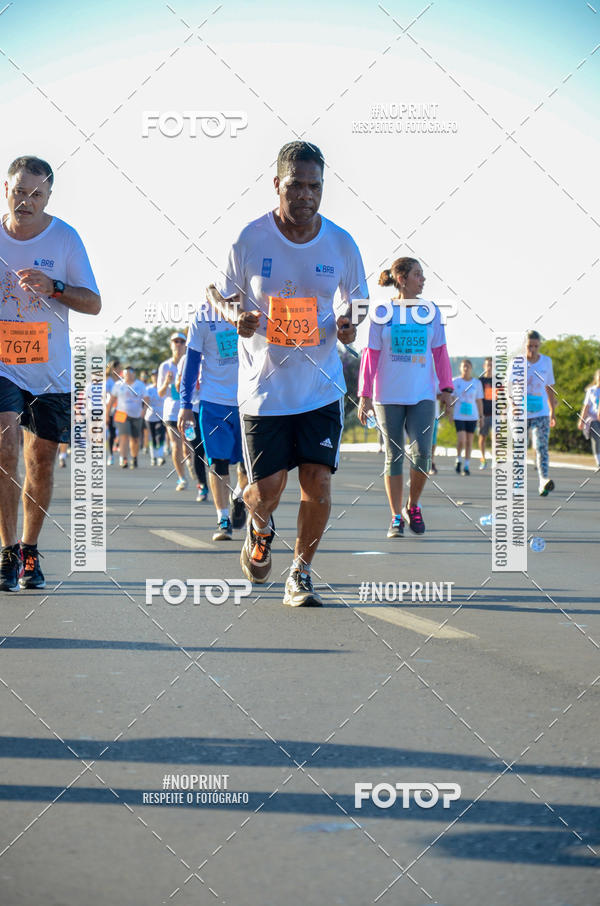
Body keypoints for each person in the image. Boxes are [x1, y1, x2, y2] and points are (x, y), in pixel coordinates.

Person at [207, 140, 366, 606]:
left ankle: (301, 571)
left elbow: (357, 301)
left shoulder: (340, 242)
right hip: (264, 390)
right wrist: (235, 317)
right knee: (267, 490)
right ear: (278, 184)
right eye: (295, 185)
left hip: (320, 386)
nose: (305, 196)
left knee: (318, 481)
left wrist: (348, 324)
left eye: (314, 186)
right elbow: (219, 293)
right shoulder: (251, 239)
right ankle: (259, 527)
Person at [0, 156, 101, 591]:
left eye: (35, 194)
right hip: (3, 364)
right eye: (19, 191)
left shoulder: (64, 238)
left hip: (50, 369)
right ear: (6, 188)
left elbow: (94, 302)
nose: (26, 200)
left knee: (40, 460)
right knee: (4, 452)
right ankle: (6, 552)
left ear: (48, 197)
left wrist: (54, 287)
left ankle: (29, 550)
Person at [358, 258, 454, 537]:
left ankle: (413, 505)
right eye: (417, 275)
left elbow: (440, 352)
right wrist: (364, 395)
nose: (423, 279)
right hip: (387, 395)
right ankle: (395, 517)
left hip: (422, 394)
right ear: (401, 279)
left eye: (422, 275)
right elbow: (371, 356)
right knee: (394, 455)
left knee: (423, 453)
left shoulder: (430, 311)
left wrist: (446, 388)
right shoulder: (382, 312)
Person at [178, 302, 247, 540]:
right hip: (213, 401)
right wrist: (185, 405)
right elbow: (192, 362)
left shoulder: (251, 305)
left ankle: (238, 496)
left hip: (250, 399)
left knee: (249, 466)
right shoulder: (203, 316)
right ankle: (223, 519)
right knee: (218, 462)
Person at [520, 330, 557, 496]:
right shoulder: (517, 363)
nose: (532, 349)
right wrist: (512, 404)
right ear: (524, 345)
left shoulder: (546, 362)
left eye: (535, 346)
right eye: (529, 346)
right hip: (520, 413)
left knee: (542, 447)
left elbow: (549, 388)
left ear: (539, 345)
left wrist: (552, 412)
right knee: (520, 449)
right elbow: (507, 388)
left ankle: (543, 480)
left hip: (541, 412)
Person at [175, 352, 208, 501]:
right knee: (197, 449)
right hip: (191, 411)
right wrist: (188, 381)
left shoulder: (213, 352)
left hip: (213, 408)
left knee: (215, 451)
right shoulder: (186, 358)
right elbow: (177, 386)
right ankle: (202, 485)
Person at [158, 331, 188, 490]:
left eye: (181, 342)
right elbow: (160, 393)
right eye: (175, 341)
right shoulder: (165, 366)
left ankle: (190, 464)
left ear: (186, 345)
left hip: (189, 411)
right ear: (171, 345)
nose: (178, 344)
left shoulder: (191, 362)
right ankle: (182, 478)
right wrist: (167, 382)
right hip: (171, 412)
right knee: (176, 446)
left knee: (188, 446)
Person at [109, 365, 148, 468]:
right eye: (126, 374)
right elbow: (111, 400)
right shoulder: (118, 385)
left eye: (130, 374)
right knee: (123, 436)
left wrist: (144, 410)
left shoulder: (140, 385)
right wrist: (107, 415)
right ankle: (123, 458)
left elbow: (147, 399)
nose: (128, 376)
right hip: (121, 414)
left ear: (134, 374)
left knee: (135, 439)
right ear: (123, 374)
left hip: (136, 414)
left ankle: (134, 458)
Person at [452, 359, 483, 476]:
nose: (466, 368)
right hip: (459, 415)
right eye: (464, 366)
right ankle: (458, 459)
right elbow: (450, 399)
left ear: (471, 368)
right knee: (461, 440)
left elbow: (479, 400)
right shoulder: (455, 381)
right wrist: (449, 413)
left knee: (469, 441)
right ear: (460, 368)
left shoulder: (476, 383)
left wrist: (481, 416)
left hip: (472, 416)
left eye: (468, 366)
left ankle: (466, 465)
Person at [578, 369, 600, 467]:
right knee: (597, 438)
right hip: (593, 418)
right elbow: (586, 406)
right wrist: (581, 420)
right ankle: (598, 461)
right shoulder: (592, 390)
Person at [144, 369, 166, 466]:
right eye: (153, 375)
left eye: (157, 375)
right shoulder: (148, 389)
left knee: (160, 435)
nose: (155, 377)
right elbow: (145, 402)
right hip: (150, 416)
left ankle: (160, 456)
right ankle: (154, 457)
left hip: (162, 416)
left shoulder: (165, 388)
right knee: (152, 437)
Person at [478, 356, 493, 469]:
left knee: (496, 438)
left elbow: (502, 397)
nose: (489, 367)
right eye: (487, 365)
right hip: (484, 415)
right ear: (484, 366)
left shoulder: (498, 381)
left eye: (491, 365)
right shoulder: (480, 381)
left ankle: (496, 460)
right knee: (482, 437)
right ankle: (483, 460)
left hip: (495, 414)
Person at [105, 359, 121, 465]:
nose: (121, 369)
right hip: (111, 410)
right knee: (111, 432)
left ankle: (122, 455)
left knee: (120, 432)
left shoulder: (121, 380)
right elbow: (106, 396)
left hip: (121, 410)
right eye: (119, 368)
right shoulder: (108, 381)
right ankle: (110, 455)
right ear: (114, 368)